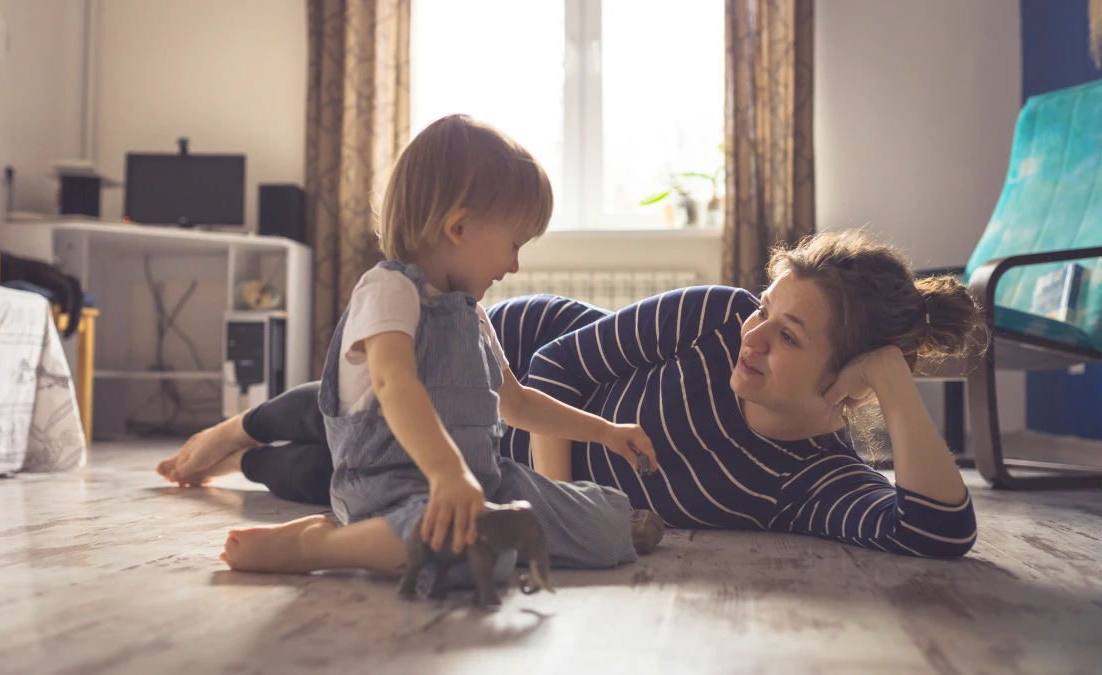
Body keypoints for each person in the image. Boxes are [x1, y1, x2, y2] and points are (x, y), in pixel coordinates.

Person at [162, 231, 985, 559]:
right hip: (519, 363)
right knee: (358, 413)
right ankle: (233, 428)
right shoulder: (716, 315)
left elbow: (940, 534)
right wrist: (550, 509)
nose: (754, 335)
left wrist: (890, 379)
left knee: (312, 482)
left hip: (504, 475)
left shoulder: (812, 479)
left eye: (789, 337)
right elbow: (549, 374)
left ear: (844, 383)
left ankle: (255, 460)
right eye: (767, 310)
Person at [163, 114, 666, 580]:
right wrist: (446, 473)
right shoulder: (389, 290)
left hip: (482, 484)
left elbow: (515, 403)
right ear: (458, 227)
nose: (515, 266)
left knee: (606, 527)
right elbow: (393, 381)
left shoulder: (473, 315)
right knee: (474, 551)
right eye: (515, 244)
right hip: (394, 493)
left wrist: (604, 431)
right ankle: (316, 546)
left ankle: (490, 527)